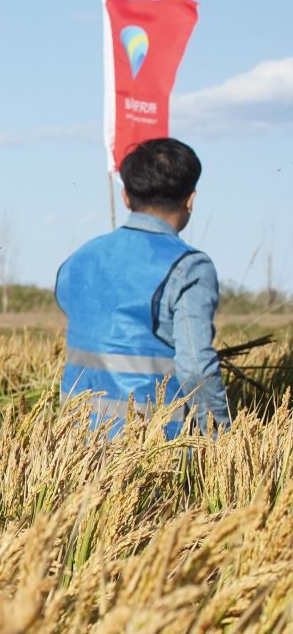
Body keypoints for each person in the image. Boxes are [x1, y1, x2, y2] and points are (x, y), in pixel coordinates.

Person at [55, 137, 229, 436]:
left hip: (72, 446)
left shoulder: (79, 259)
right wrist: (221, 438)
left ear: (125, 197)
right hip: (155, 449)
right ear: (190, 200)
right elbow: (196, 368)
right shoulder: (189, 267)